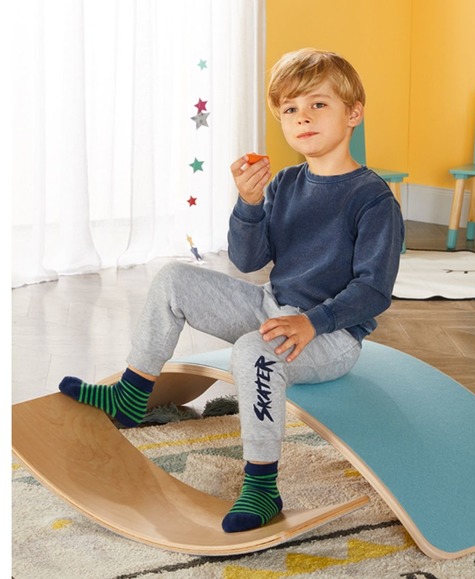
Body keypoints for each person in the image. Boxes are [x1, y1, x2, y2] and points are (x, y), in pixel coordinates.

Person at [58, 48, 404, 533]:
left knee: (252, 352)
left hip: (332, 335)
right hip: (270, 306)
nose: (302, 116)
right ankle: (131, 396)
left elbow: (374, 291)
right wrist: (249, 203)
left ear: (353, 113)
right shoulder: (284, 182)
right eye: (289, 109)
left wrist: (312, 321)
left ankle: (262, 488)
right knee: (176, 277)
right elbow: (247, 260)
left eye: (317, 105)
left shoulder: (373, 199)